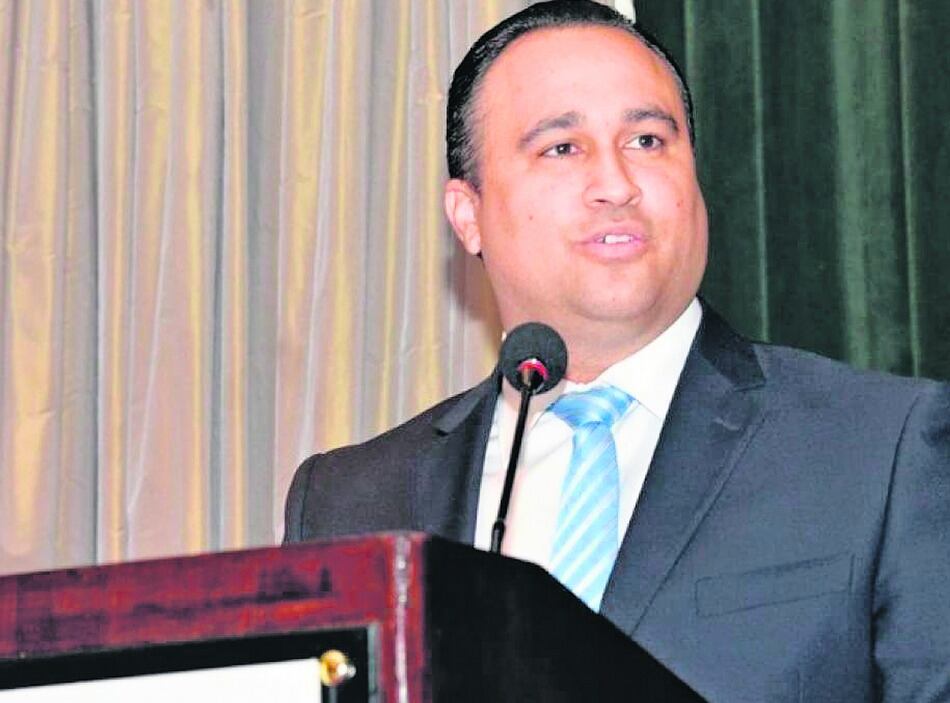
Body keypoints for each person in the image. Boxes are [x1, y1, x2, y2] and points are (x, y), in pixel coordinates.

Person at [283, 2, 950, 700]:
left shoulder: (884, 451)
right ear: (468, 214)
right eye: (562, 148)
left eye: (647, 141)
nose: (616, 184)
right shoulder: (349, 504)